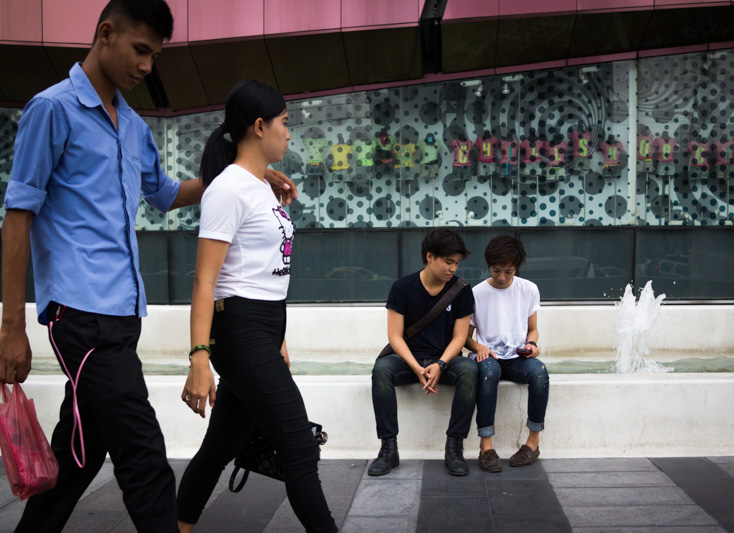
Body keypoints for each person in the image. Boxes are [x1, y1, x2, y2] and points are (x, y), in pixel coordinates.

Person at [0, 2, 295, 531]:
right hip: (79, 314)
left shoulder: (134, 127)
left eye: (154, 56)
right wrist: (11, 327)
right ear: (105, 33)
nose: (146, 66)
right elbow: (18, 218)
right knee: (144, 457)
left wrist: (249, 174)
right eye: (140, 50)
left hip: (122, 315)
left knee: (78, 454)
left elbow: (164, 194)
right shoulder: (52, 110)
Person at [175, 79, 337, 533]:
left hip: (262, 328)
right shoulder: (228, 189)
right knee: (299, 449)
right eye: (284, 122)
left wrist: (277, 338)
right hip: (239, 329)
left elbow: (265, 272)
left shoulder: (259, 186)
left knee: (219, 448)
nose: (289, 132)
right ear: (259, 126)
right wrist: (199, 356)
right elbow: (205, 280)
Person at [369, 228, 478, 477]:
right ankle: (388, 449)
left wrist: (440, 363)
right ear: (430, 256)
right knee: (382, 369)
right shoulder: (402, 287)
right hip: (409, 360)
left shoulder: (461, 290)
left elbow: (460, 337)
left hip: (445, 360)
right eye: (448, 262)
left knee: (470, 370)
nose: (453, 268)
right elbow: (395, 336)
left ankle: (454, 448)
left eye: (456, 263)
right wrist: (416, 368)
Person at [465, 236, 549, 473]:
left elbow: (533, 329)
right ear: (489, 266)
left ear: (517, 268)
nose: (501, 277)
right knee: (489, 373)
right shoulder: (476, 293)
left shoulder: (528, 289)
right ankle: (486, 447)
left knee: (540, 373)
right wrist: (479, 348)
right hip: (488, 357)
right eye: (496, 270)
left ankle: (533, 443)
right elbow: (465, 337)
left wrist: (531, 344)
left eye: (508, 272)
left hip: (517, 358)